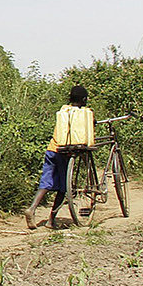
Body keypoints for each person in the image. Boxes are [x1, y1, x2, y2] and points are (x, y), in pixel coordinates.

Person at [26, 84, 96, 229]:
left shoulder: (64, 110)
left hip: (52, 149)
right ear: (84, 99)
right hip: (65, 154)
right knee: (63, 189)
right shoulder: (83, 113)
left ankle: (32, 208)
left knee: (45, 182)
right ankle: (51, 220)